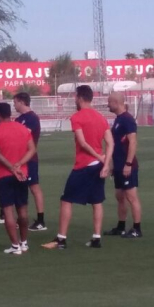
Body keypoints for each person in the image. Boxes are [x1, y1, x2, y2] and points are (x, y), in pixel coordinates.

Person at [44, 85, 113, 250]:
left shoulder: (77, 117)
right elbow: (110, 143)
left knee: (66, 200)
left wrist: (99, 158)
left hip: (84, 165)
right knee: (97, 201)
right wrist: (105, 162)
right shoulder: (101, 117)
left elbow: (82, 143)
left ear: (80, 98)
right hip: (98, 165)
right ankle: (96, 238)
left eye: (75, 97)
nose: (75, 100)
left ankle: (61, 238)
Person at [0, 102, 36, 254]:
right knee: (22, 211)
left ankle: (15, 246)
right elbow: (32, 149)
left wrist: (11, 167)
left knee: (8, 211)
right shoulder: (22, 129)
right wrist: (19, 165)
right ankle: (24, 243)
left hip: (4, 175)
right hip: (22, 174)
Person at [106, 92, 143, 239]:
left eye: (109, 102)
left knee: (131, 196)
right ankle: (121, 227)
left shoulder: (127, 120)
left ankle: (137, 228)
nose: (108, 105)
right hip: (119, 166)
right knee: (119, 196)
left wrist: (128, 164)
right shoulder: (118, 120)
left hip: (127, 166)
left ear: (116, 102)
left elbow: (133, 142)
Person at [13, 92, 46, 231]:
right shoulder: (18, 119)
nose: (14, 105)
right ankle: (21, 217)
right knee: (19, 188)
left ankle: (40, 220)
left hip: (30, 159)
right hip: (18, 159)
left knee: (34, 187)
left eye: (15, 102)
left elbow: (23, 136)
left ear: (21, 102)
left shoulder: (32, 118)